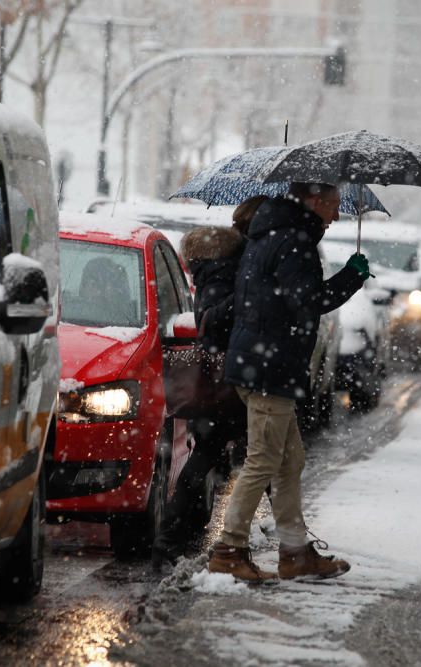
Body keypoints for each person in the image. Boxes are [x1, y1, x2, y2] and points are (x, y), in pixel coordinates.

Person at [208, 182, 370, 583]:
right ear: (315, 201)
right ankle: (229, 549)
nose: (336, 216)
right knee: (264, 459)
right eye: (333, 206)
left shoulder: (271, 234)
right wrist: (351, 276)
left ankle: (296, 552)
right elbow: (309, 300)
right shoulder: (293, 240)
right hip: (270, 368)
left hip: (263, 363)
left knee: (289, 459)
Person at [151, 195, 266, 572]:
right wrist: (246, 300)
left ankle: (178, 537)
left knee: (217, 459)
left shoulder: (222, 271)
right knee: (235, 459)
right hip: (226, 383)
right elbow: (212, 322)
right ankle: (174, 540)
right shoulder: (221, 275)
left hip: (228, 382)